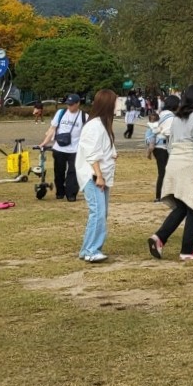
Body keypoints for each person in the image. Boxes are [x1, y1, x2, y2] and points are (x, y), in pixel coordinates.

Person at [148, 85, 193, 262]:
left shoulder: (176, 118)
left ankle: (159, 237)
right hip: (189, 162)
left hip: (174, 161)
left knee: (182, 206)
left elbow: (170, 143)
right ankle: (188, 249)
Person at [75, 89, 118, 263]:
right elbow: (91, 153)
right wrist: (98, 175)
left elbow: (104, 149)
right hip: (93, 177)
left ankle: (88, 249)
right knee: (98, 212)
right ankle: (92, 250)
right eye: (115, 102)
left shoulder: (104, 124)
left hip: (102, 176)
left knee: (101, 213)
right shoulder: (94, 126)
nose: (117, 105)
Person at [39, 94, 87, 202]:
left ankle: (71, 194)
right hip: (59, 148)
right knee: (59, 171)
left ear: (78, 104)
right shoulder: (61, 113)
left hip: (75, 149)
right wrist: (44, 142)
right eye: (68, 104)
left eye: (72, 105)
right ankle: (60, 191)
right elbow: (52, 128)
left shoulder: (84, 116)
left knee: (73, 172)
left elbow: (87, 134)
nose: (69, 107)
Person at [145, 95, 178, 202]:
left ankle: (161, 195)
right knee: (164, 172)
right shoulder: (171, 117)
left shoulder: (161, 114)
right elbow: (169, 133)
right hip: (163, 147)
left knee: (163, 172)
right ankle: (161, 196)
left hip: (158, 148)